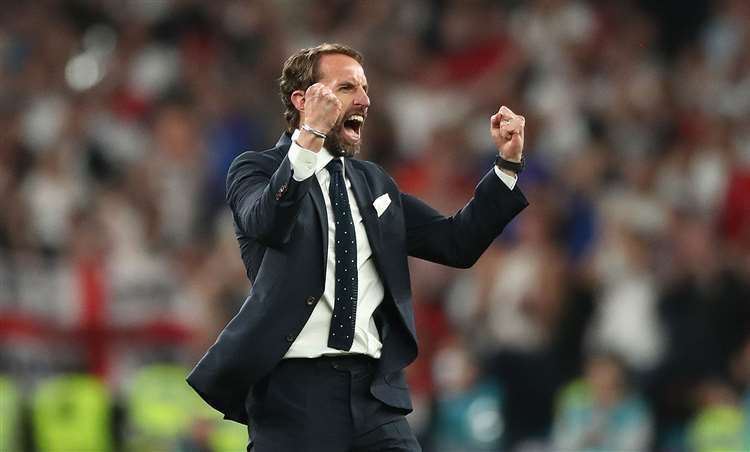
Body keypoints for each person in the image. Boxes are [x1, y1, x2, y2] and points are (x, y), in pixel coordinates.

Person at [186, 43, 528, 452]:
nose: (365, 100)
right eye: (347, 87)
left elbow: (456, 243)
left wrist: (506, 168)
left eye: (364, 88)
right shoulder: (254, 169)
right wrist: (310, 136)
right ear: (303, 99)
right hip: (293, 396)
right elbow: (269, 221)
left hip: (374, 394)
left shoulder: (374, 184)